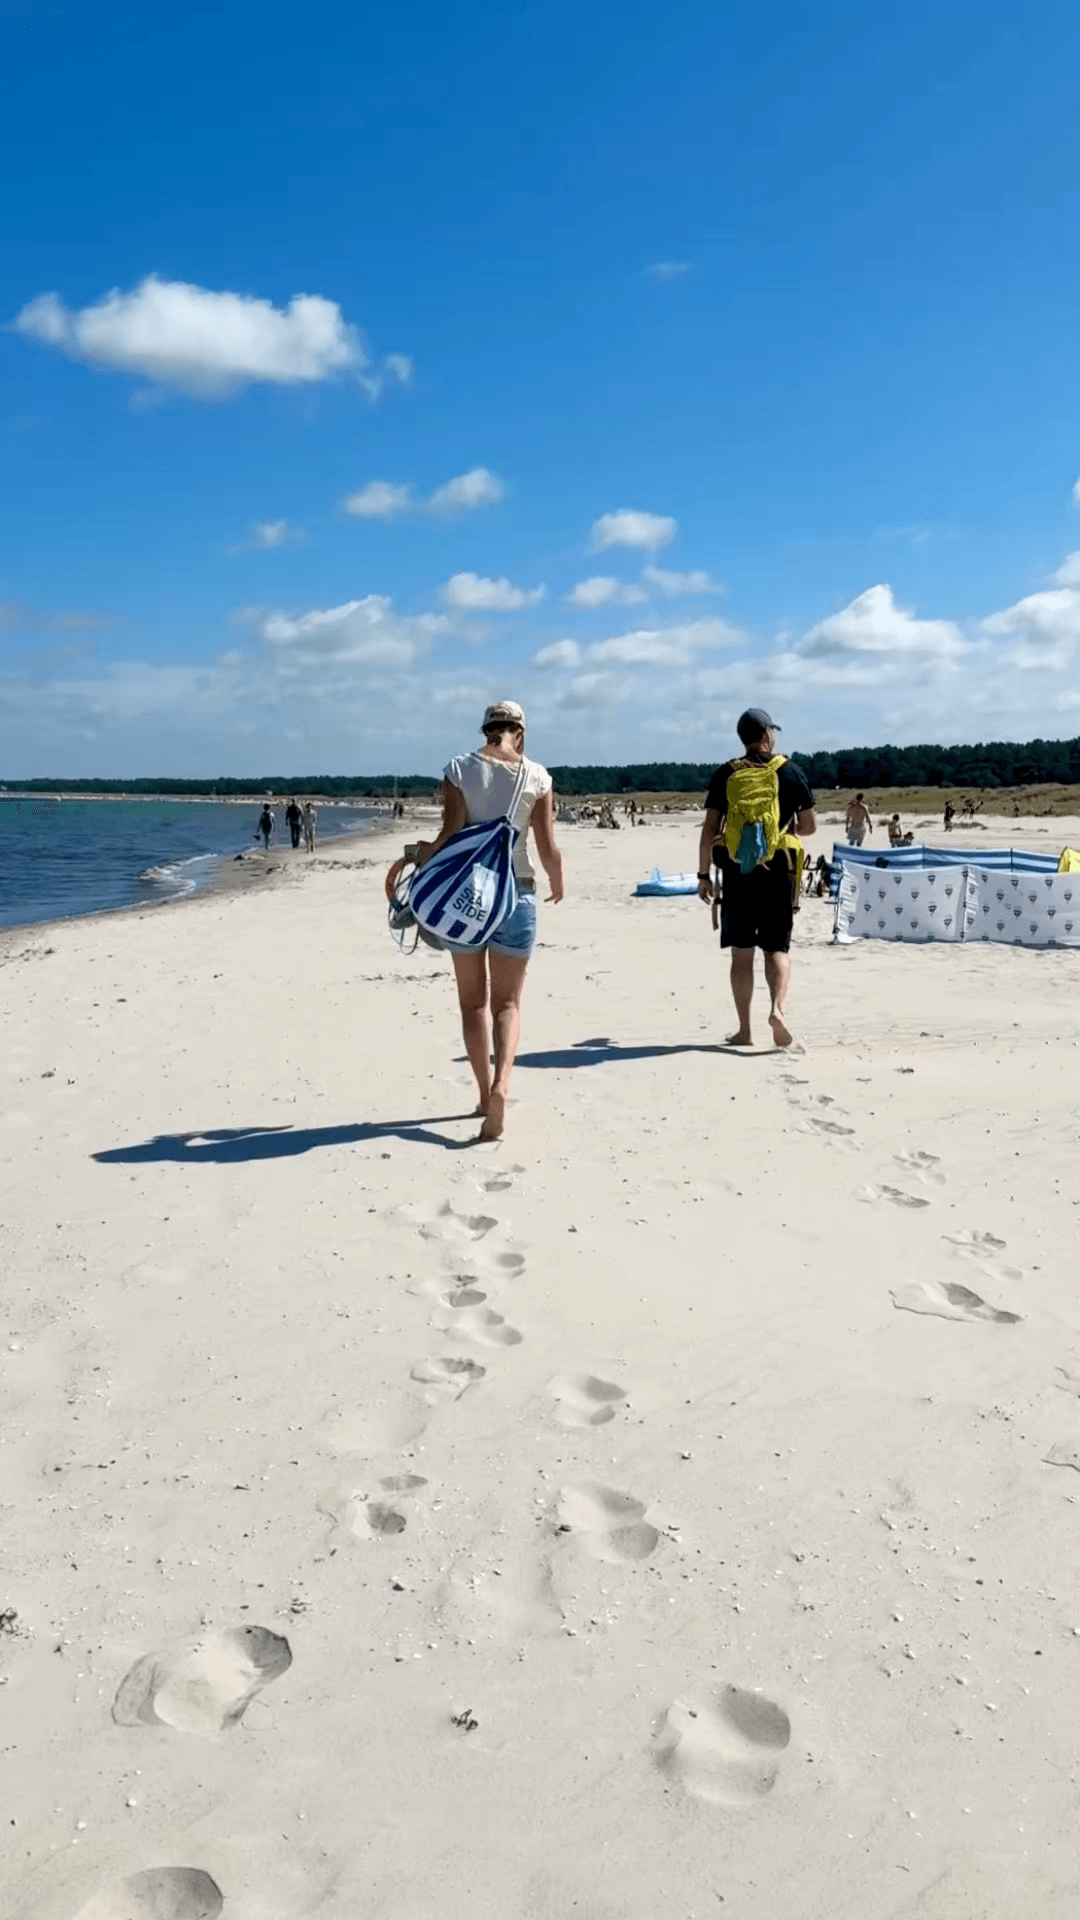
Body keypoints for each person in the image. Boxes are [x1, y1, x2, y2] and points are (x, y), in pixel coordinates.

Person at [414, 699, 564, 1142]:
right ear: (520, 731)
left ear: (486, 730)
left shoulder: (459, 770)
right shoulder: (537, 776)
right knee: (509, 1004)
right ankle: (503, 1085)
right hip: (516, 893)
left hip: (466, 899)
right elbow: (547, 846)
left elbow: (450, 835)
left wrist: (419, 856)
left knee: (472, 1003)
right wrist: (557, 881)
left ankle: (483, 1096)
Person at [697, 707, 815, 1048]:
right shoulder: (789, 771)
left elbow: (708, 832)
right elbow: (808, 826)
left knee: (741, 953)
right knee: (777, 949)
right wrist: (779, 833)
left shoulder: (726, 773)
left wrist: (704, 875)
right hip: (778, 870)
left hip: (738, 872)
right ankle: (778, 1010)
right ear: (767, 736)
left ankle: (744, 1031)